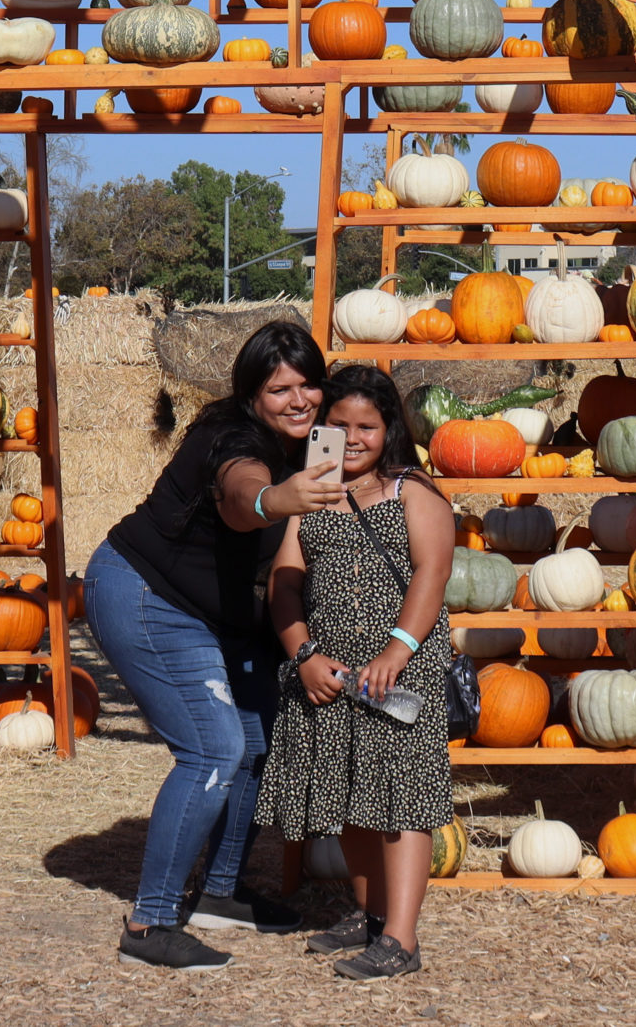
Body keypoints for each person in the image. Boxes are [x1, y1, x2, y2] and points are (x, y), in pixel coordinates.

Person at [85, 319, 344, 972]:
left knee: (258, 741)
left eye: (308, 385)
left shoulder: (316, 443)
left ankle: (220, 892)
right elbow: (239, 495)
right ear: (252, 393)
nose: (299, 399)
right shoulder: (226, 438)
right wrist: (277, 498)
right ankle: (151, 924)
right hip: (147, 596)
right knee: (212, 750)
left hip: (221, 612)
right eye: (280, 388)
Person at [257, 364, 454, 982]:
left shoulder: (410, 491)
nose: (354, 436)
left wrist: (396, 651)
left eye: (367, 425)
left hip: (398, 672)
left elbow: (431, 574)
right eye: (339, 424)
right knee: (352, 796)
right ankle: (371, 915)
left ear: (388, 428)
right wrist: (303, 654)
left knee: (401, 802)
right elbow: (284, 586)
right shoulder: (310, 492)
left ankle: (401, 938)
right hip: (334, 672)